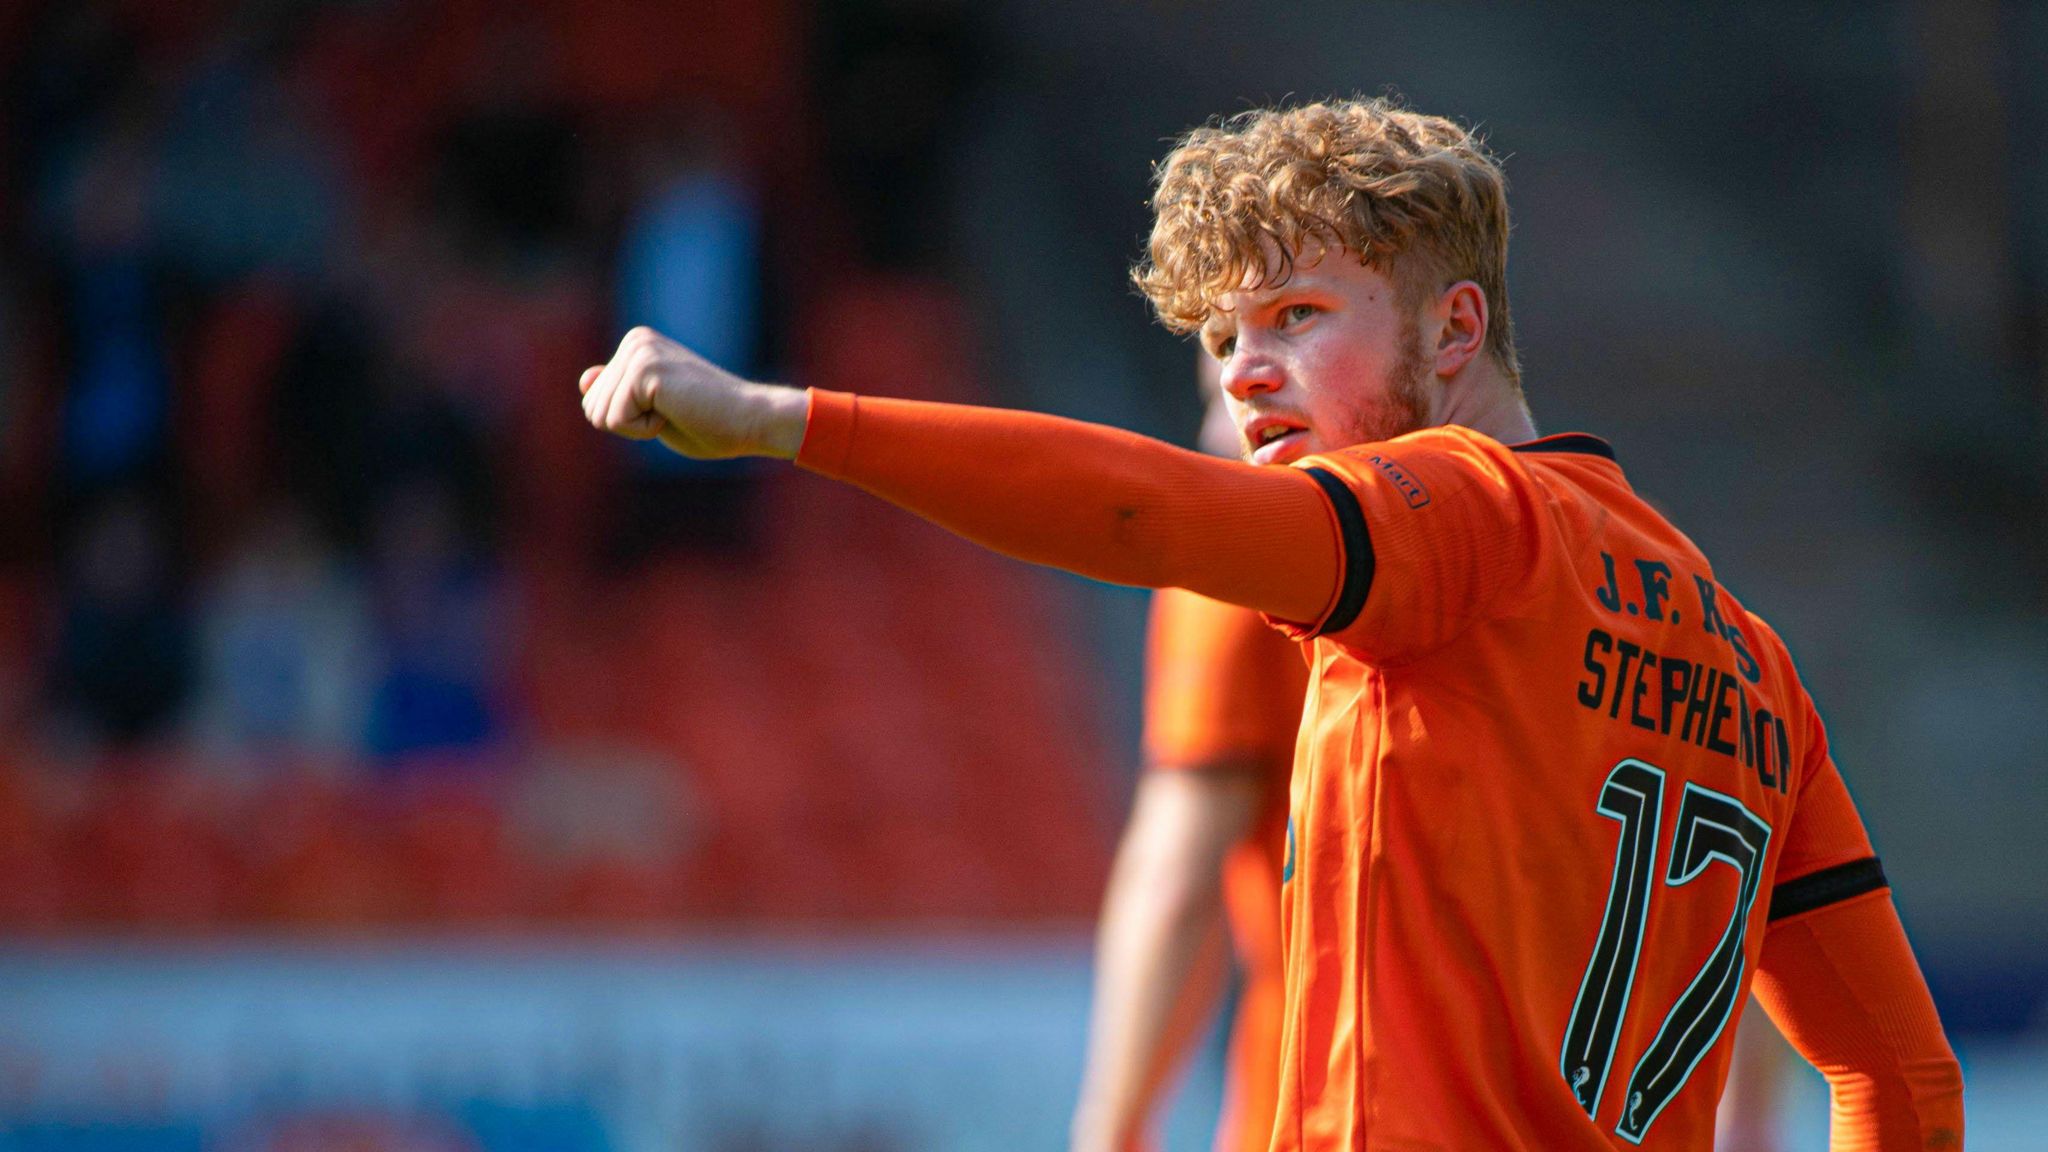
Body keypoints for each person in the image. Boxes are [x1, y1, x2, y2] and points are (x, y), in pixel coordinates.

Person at [577, 98, 1965, 1149]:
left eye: (1297, 315)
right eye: (1224, 336)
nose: (1247, 374)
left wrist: (784, 422)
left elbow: (1146, 523)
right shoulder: (1748, 657)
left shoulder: (1458, 516)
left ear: (1456, 328)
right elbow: (1897, 1079)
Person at [1071, 368, 1306, 1152]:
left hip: (1330, 1100)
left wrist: (1113, 1127)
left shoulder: (1250, 557)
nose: (1217, 438)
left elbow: (1175, 880)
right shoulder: (1596, 552)